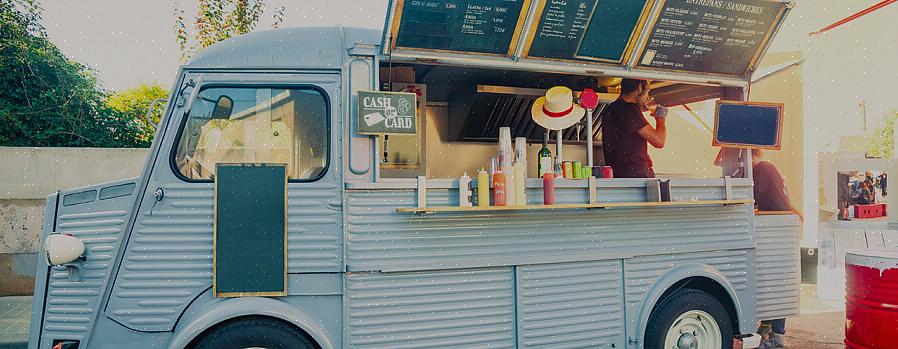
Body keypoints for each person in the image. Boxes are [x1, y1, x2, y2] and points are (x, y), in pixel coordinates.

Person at [751, 149, 802, 349]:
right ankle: (768, 327)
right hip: (782, 227)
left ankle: (777, 337)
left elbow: (752, 198)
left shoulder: (760, 169)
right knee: (774, 280)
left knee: (772, 279)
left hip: (775, 229)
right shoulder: (770, 167)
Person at [601, 79, 668, 178]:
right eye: (648, 91)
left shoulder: (610, 109)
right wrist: (660, 118)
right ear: (640, 87)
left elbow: (626, 144)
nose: (648, 97)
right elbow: (659, 141)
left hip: (619, 175)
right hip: (635, 177)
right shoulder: (629, 109)